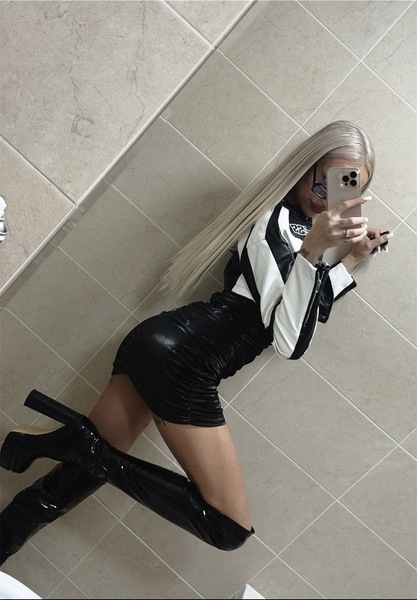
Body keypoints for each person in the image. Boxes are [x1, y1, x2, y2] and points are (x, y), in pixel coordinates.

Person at [0, 120, 391, 565]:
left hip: (164, 350)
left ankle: (58, 460)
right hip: (184, 363)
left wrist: (350, 261)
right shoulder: (272, 221)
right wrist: (314, 254)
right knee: (228, 526)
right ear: (304, 168)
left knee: (69, 483)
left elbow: (300, 307)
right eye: (323, 183)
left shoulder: (302, 233)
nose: (326, 198)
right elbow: (288, 341)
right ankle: (79, 444)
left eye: (343, 189)